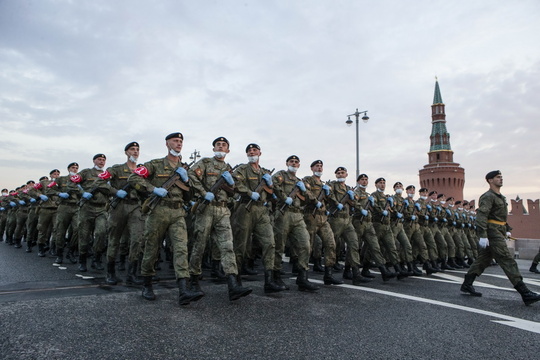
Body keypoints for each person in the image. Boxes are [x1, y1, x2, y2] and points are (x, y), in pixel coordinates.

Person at [129, 132, 203, 305]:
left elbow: (190, 194)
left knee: (181, 249)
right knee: (152, 249)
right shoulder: (155, 164)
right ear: (167, 143)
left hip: (177, 212)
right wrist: (152, 189)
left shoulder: (185, 168)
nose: (178, 143)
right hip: (158, 211)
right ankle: (147, 284)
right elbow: (134, 178)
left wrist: (187, 182)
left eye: (180, 141)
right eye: (175, 141)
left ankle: (183, 289)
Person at [461, 170, 540, 306]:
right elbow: (482, 216)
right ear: (490, 180)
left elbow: (500, 217)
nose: (501, 179)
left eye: (501, 177)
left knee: (483, 260)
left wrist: (507, 229)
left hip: (498, 231)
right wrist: (483, 235)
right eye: (498, 177)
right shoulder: (488, 196)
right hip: (492, 233)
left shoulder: (500, 197)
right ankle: (524, 292)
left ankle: (467, 284)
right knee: (506, 259)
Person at [188, 137, 252, 301]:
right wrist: (203, 193)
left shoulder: (230, 169)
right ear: (214, 148)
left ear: (228, 150)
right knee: (200, 245)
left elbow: (237, 189)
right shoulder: (205, 162)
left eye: (224, 145)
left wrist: (232, 185)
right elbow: (190, 175)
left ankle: (232, 284)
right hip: (206, 208)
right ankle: (193, 280)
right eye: (218, 145)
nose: (221, 147)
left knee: (227, 246)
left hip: (223, 210)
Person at [231, 143, 284, 293]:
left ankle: (269, 281)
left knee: (269, 243)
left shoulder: (266, 172)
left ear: (260, 153)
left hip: (262, 209)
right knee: (241, 245)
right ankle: (237, 280)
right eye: (249, 151)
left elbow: (276, 191)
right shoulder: (242, 169)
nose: (252, 152)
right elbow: (236, 184)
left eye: (254, 150)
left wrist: (271, 184)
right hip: (245, 208)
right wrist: (249, 192)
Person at [272, 155, 319, 292]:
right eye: (291, 161)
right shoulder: (281, 175)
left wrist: (304, 190)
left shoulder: (300, 181)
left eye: (296, 162)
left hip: (298, 214)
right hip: (283, 213)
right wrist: (283, 197)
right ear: (287, 163)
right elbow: (273, 185)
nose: (294, 163)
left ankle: (302, 277)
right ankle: (276, 275)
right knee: (279, 245)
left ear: (299, 165)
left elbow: (310, 198)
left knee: (305, 244)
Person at [104, 142, 144, 286]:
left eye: (137, 150)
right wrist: (115, 192)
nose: (135, 152)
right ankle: (110, 273)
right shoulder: (117, 169)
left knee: (137, 240)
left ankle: (132, 274)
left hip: (135, 207)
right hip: (119, 206)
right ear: (126, 152)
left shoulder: (141, 170)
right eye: (132, 149)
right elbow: (100, 181)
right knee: (114, 239)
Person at [302, 161, 342, 285]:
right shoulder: (307, 180)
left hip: (323, 218)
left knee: (331, 244)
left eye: (321, 166)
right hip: (311, 216)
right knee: (308, 247)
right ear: (311, 168)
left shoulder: (324, 184)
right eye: (316, 166)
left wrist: (330, 195)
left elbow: (331, 199)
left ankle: (328, 274)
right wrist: (315, 201)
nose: (319, 167)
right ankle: (303, 277)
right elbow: (306, 193)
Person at [73, 154, 111, 271]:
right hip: (87, 208)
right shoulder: (86, 172)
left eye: (103, 160)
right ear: (94, 161)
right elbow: (71, 183)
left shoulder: (107, 175)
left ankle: (96, 259)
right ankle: (82, 261)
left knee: (101, 233)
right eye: (99, 159)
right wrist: (82, 192)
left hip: (101, 209)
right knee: (84, 236)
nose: (101, 161)